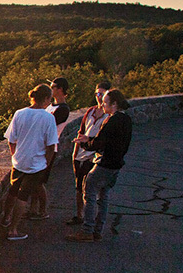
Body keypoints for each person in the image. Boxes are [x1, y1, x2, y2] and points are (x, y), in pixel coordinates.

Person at [66, 89, 132, 242]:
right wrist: (89, 139)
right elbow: (112, 141)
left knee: (89, 193)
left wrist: (84, 144)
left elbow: (99, 144)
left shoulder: (111, 120)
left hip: (104, 164)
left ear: (114, 104)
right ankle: (98, 231)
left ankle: (87, 231)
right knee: (103, 197)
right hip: (116, 165)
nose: (102, 105)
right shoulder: (126, 119)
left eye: (105, 102)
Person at [1, 84, 59, 241]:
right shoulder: (48, 118)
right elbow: (51, 145)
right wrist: (46, 163)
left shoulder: (19, 113)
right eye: (50, 99)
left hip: (19, 161)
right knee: (23, 196)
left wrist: (15, 155)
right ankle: (13, 230)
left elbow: (11, 140)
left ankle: (6, 218)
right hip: (36, 163)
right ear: (46, 99)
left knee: (13, 191)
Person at [67, 80, 111, 226]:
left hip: (93, 157)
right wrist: (75, 154)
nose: (98, 97)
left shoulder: (109, 116)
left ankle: (89, 219)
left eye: (101, 94)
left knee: (90, 190)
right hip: (80, 154)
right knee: (79, 187)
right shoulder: (90, 111)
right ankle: (79, 215)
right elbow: (81, 132)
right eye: (97, 94)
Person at [27, 77, 71, 218]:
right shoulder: (51, 107)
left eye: (53, 87)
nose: (51, 90)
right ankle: (33, 209)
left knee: (39, 181)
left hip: (50, 148)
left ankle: (43, 210)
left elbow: (46, 125)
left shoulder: (63, 109)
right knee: (35, 180)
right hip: (40, 146)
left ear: (60, 89)